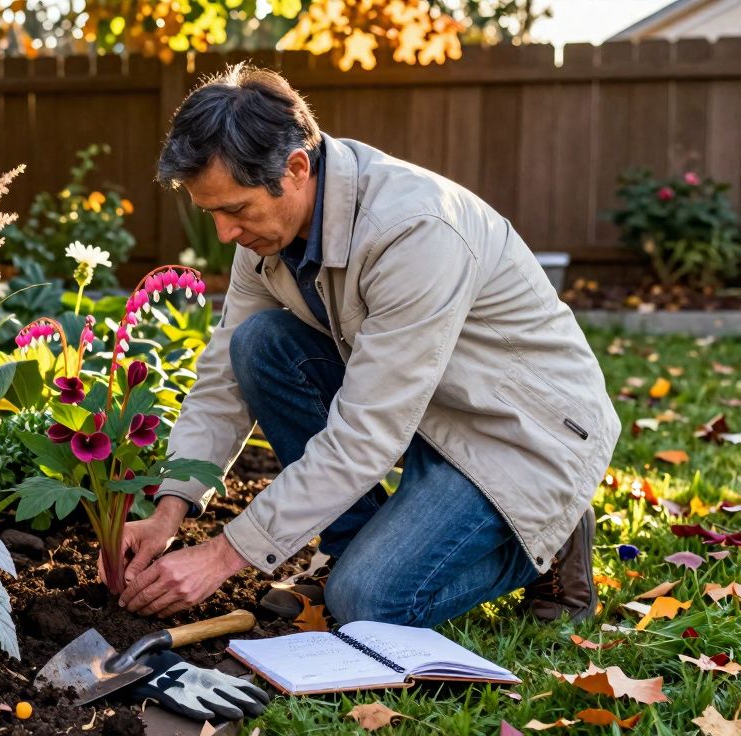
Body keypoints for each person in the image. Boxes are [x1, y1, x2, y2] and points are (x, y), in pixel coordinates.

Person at [112, 64, 620, 628]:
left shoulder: (413, 230)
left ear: (297, 168)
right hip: (427, 411)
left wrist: (223, 555)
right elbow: (221, 383)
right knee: (259, 345)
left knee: (367, 605)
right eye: (213, 213)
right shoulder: (265, 234)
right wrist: (168, 510)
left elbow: (367, 432)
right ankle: (352, 546)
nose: (224, 234)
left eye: (235, 210)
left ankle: (546, 541)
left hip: (518, 435)